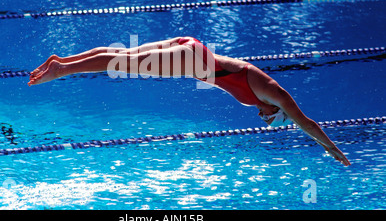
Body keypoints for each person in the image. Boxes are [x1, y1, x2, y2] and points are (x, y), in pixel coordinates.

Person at [28, 36, 351, 166]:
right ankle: (62, 69)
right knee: (122, 64)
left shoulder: (260, 100)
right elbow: (306, 122)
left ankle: (62, 60)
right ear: (277, 109)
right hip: (193, 60)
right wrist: (332, 149)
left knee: (122, 56)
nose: (264, 118)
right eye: (271, 117)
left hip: (191, 50)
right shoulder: (273, 92)